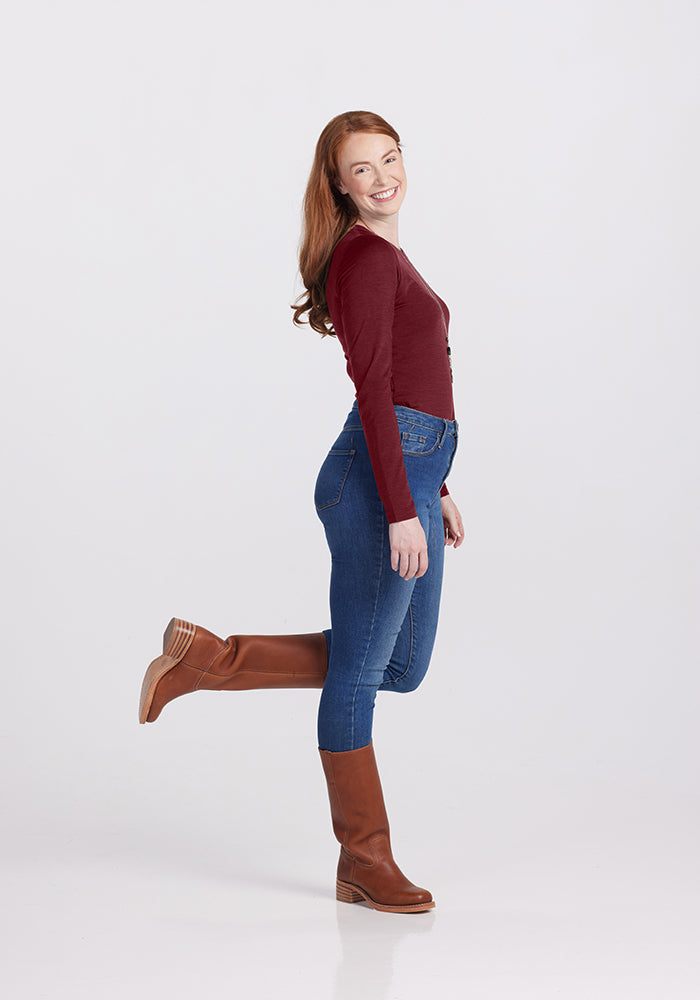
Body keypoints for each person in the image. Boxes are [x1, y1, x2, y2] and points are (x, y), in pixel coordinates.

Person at [138, 110, 463, 914]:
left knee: (401, 666)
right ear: (337, 183)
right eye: (363, 168)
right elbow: (375, 392)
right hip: (376, 485)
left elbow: (414, 382)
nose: (384, 177)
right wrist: (400, 506)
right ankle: (365, 859)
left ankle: (214, 661)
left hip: (410, 476)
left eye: (391, 158)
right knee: (359, 670)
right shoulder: (363, 259)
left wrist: (438, 486)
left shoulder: (383, 252)